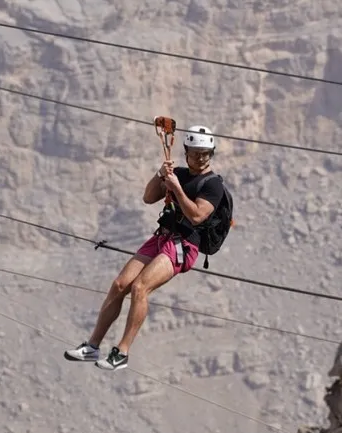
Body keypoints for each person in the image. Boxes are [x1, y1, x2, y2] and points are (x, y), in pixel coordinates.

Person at [64, 125, 226, 371]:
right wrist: (161, 175)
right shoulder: (178, 173)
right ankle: (93, 346)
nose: (200, 157)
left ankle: (122, 352)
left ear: (211, 154)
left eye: (205, 153)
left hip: (184, 243)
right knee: (120, 285)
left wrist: (178, 189)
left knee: (140, 287)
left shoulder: (212, 185)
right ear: (186, 152)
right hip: (162, 236)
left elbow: (196, 216)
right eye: (195, 152)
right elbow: (149, 197)